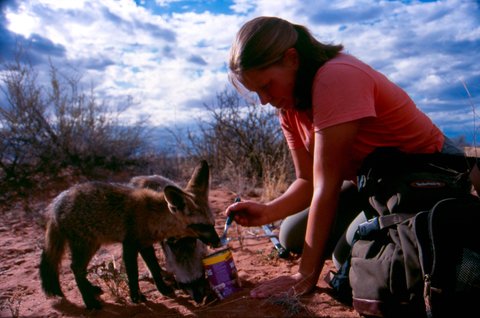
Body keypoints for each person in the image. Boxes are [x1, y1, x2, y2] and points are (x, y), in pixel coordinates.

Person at [225, 16, 465, 299]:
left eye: (266, 86)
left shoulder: (336, 76)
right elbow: (308, 181)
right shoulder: (289, 109)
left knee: (346, 256)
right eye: (256, 92)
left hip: (429, 172)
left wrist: (304, 276)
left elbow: (326, 187)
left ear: (291, 58)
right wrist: (268, 211)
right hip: (376, 184)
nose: (264, 99)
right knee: (290, 234)